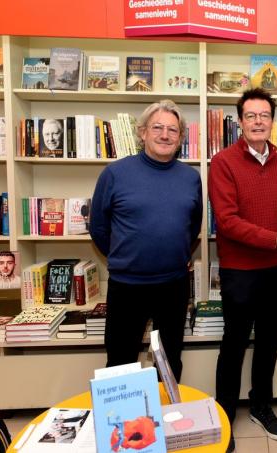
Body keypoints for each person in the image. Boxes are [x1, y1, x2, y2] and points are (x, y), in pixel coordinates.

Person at [208, 88, 277, 453]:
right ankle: (224, 416)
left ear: (272, 120)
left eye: (264, 115)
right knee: (234, 346)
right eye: (250, 116)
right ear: (239, 122)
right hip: (241, 271)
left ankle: (261, 407)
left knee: (269, 344)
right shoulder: (222, 162)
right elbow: (228, 222)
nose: (257, 121)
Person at [90, 100, 202, 381]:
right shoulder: (115, 174)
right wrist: (127, 258)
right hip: (127, 287)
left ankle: (166, 418)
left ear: (180, 138)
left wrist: (169, 255)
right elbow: (99, 229)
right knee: (120, 360)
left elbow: (193, 227)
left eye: (173, 130)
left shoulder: (191, 178)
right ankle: (122, 423)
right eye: (158, 128)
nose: (165, 135)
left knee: (169, 359)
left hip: (173, 286)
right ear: (142, 133)